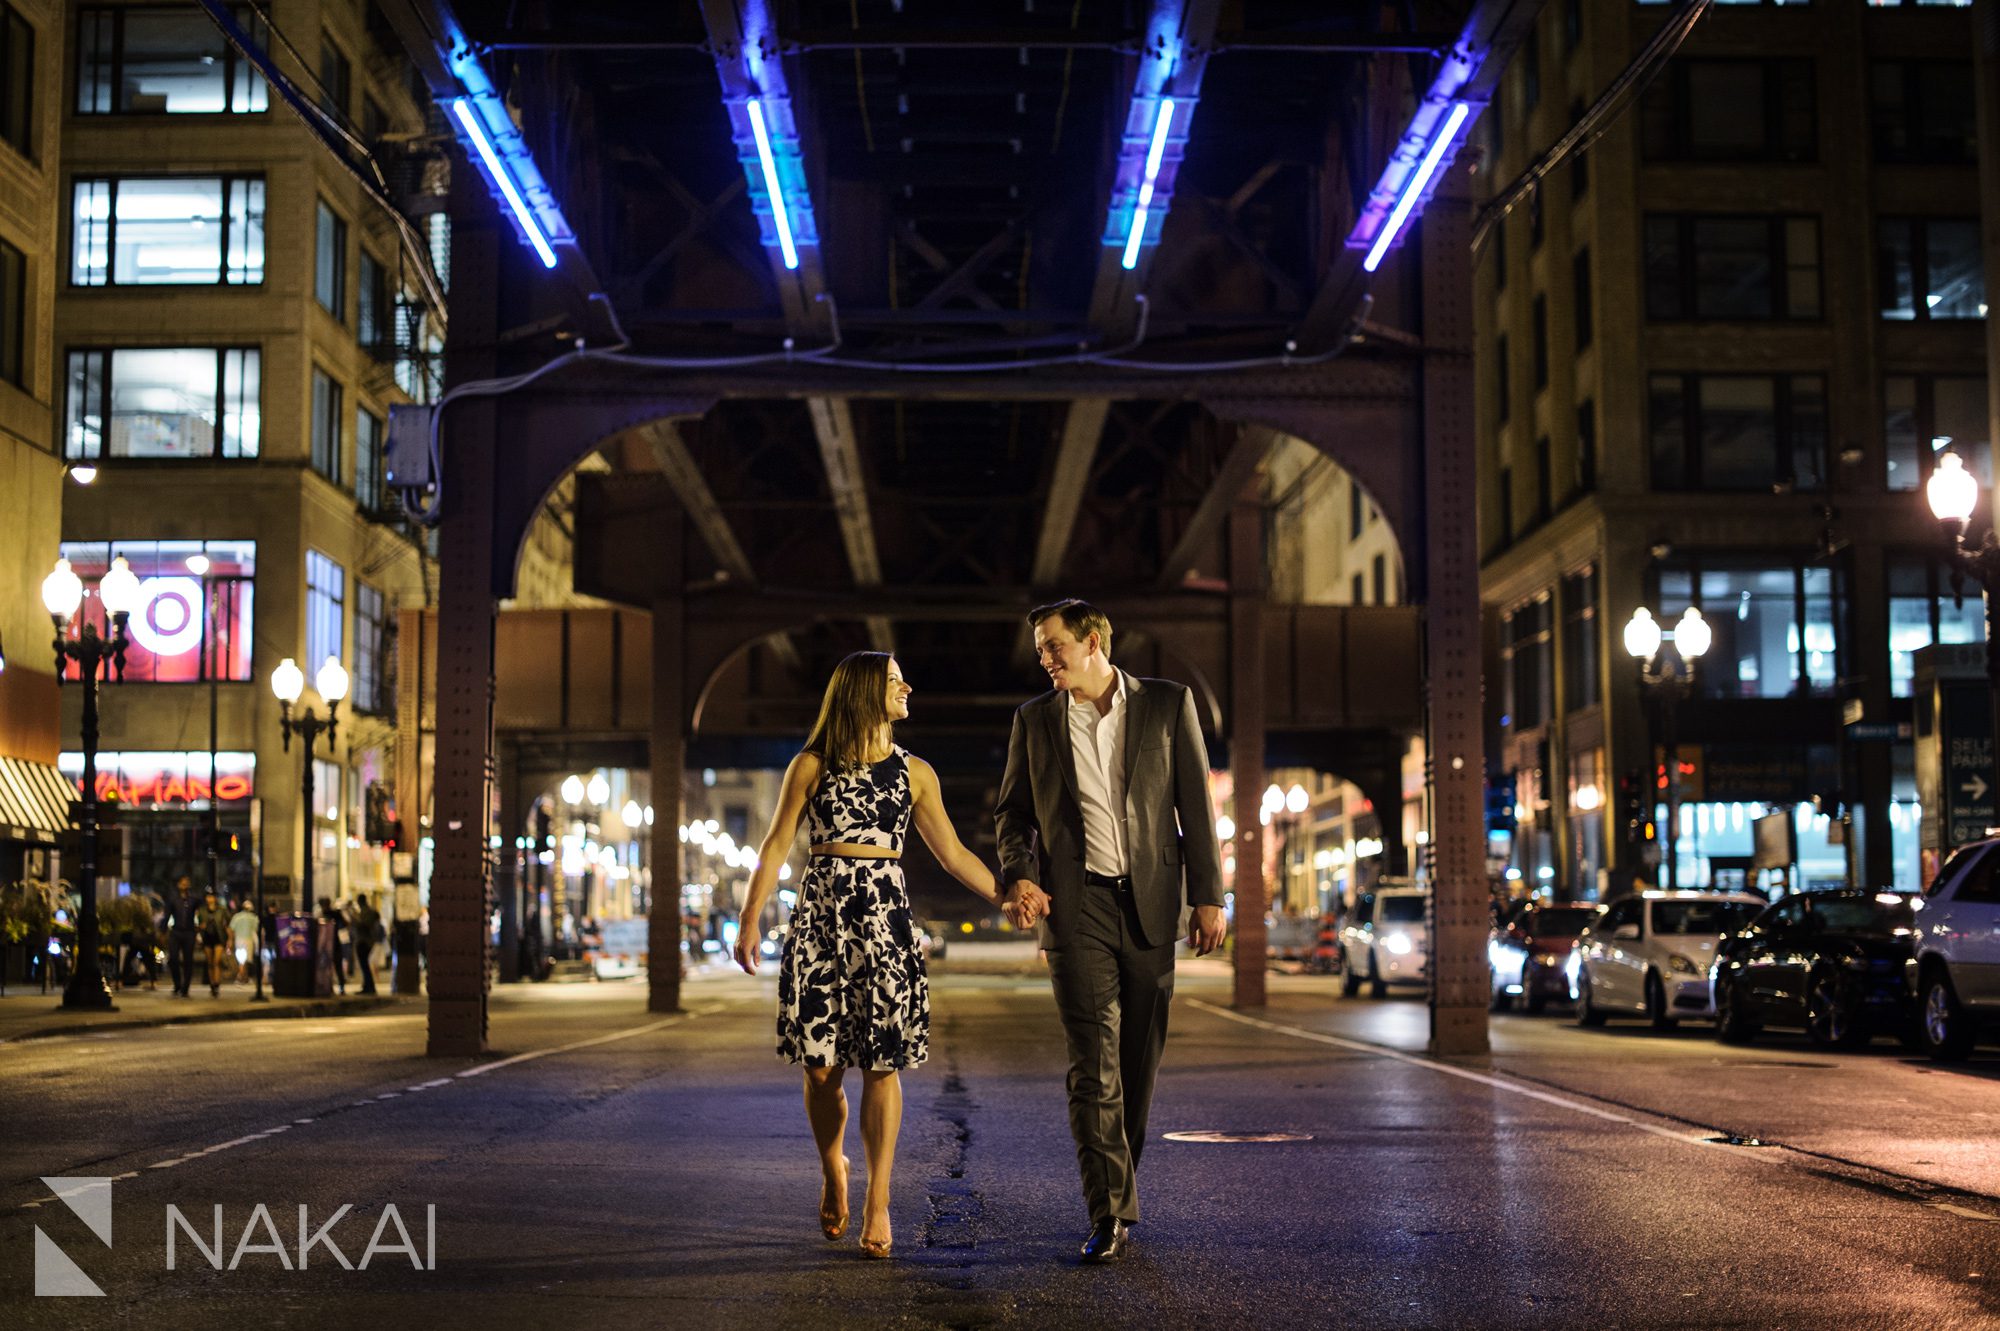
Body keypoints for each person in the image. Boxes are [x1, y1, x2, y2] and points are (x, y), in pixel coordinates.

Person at [735, 651, 1003, 1260]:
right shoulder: (811, 764)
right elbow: (777, 843)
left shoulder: (916, 774)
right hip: (822, 923)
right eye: (893, 680)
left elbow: (954, 854)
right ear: (861, 691)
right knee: (820, 1067)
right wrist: (751, 917)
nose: (907, 687)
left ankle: (879, 1200)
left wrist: (1007, 894)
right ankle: (835, 1167)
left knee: (884, 1063)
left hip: (885, 923)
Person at [994, 599, 1226, 1264]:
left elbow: (1195, 807)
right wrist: (1017, 873)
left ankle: (1118, 1177)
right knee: (1093, 1066)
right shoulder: (1035, 721)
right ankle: (1109, 1212)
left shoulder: (1165, 703)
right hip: (1077, 906)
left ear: (1093, 640)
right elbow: (1013, 814)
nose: (1045, 658)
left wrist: (1208, 896)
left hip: (1151, 903)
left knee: (1136, 1063)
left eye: (1053, 644)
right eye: (1041, 648)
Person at [164, 879, 200, 998]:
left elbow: (200, 910)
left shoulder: (194, 899)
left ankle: (185, 987)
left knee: (188, 960)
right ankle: (177, 984)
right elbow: (167, 915)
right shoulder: (173, 899)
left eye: (186, 882)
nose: (184, 885)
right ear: (178, 884)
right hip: (176, 931)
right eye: (181, 882)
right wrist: (162, 930)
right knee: (173, 958)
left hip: (189, 932)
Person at [196, 890, 229, 997]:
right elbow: (198, 924)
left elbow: (228, 923)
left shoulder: (222, 910)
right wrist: (201, 927)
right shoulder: (201, 910)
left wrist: (229, 938)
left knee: (217, 961)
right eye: (208, 897)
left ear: (215, 898)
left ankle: (217, 983)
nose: (209, 899)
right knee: (210, 962)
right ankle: (212, 984)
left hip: (219, 937)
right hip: (207, 938)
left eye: (212, 896)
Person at [350, 896, 382, 994]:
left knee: (365, 965)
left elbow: (363, 925)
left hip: (364, 941)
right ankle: (367, 986)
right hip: (366, 941)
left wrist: (354, 918)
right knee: (365, 965)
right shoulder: (367, 911)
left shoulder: (366, 912)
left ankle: (369, 987)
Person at [318, 897, 349, 994]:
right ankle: (334, 986)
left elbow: (345, 924)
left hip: (331, 943)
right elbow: (345, 923)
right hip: (331, 943)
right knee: (332, 966)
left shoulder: (330, 914)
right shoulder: (334, 913)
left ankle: (338, 986)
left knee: (332, 965)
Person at [228, 898, 260, 986]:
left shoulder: (236, 917)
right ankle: (241, 977)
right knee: (245, 960)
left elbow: (230, 929)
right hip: (248, 940)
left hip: (238, 940)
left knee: (241, 960)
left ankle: (244, 977)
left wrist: (230, 940)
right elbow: (256, 930)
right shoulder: (254, 918)